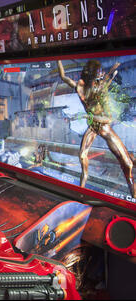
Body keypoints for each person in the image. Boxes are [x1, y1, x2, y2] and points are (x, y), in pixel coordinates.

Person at [57, 60, 135, 198]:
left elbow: (108, 119)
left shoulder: (101, 90)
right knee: (82, 155)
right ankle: (81, 189)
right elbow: (63, 76)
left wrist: (87, 115)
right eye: (96, 79)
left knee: (127, 164)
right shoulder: (81, 87)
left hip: (104, 127)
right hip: (93, 127)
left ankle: (132, 193)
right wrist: (58, 59)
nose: (98, 83)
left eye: (100, 80)